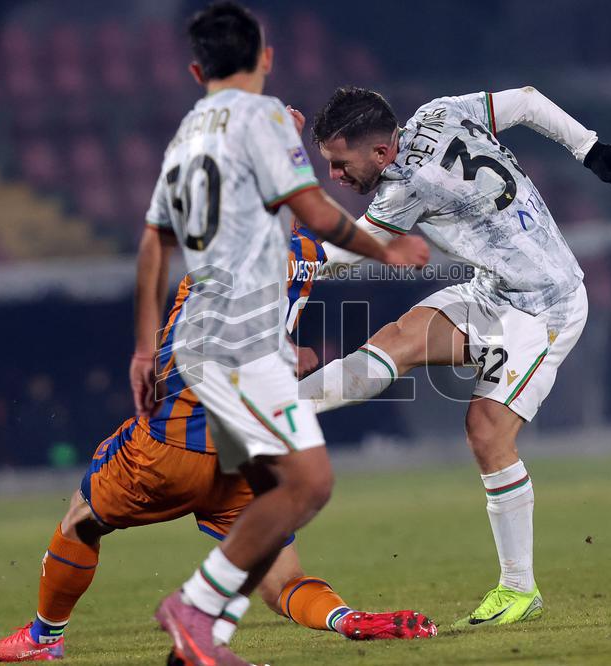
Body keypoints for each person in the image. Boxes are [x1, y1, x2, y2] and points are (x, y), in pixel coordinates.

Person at [0, 223, 435, 662]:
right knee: (281, 579)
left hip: (175, 442)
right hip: (247, 453)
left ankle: (44, 637)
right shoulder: (307, 253)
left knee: (82, 518)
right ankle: (346, 619)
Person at [146, 5, 429, 665]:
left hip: (226, 426)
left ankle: (329, 622)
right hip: (206, 408)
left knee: (278, 561)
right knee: (305, 488)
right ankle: (178, 620)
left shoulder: (298, 242)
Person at [298, 85, 611, 629]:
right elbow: (524, 101)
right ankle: (276, 407)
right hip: (492, 289)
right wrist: (589, 146)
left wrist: (285, 266)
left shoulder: (405, 186)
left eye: (339, 164)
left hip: (545, 305)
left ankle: (519, 589)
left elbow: (344, 255)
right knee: (396, 342)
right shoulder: (439, 112)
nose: (334, 176)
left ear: (381, 153)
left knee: (486, 432)